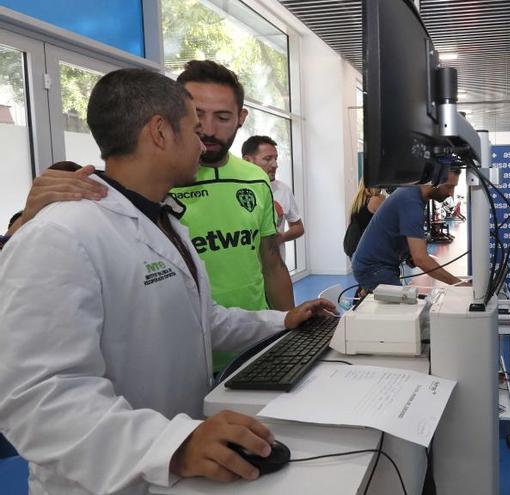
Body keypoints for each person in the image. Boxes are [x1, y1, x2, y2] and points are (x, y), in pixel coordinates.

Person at [0, 68, 334, 495]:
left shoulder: (164, 220)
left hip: (171, 468)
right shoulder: (61, 234)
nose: (203, 142)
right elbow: (38, 398)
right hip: (102, 479)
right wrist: (171, 445)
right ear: (160, 132)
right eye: (194, 129)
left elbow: (200, 321)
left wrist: (280, 321)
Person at [170, 60, 295, 372]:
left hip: (255, 344)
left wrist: (291, 333)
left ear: (241, 118)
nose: (208, 130)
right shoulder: (163, 178)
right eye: (197, 115)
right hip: (186, 353)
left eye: (223, 117)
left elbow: (271, 262)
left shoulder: (255, 179)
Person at [352, 169, 467, 292]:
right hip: (373, 268)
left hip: (377, 265)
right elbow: (421, 259)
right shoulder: (411, 201)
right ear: (435, 181)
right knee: (401, 309)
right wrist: (459, 284)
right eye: (449, 187)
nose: (451, 193)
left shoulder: (413, 195)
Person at [241, 135, 304, 263]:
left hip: (275, 269)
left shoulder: (283, 189)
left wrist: (282, 237)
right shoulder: (233, 190)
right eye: (267, 159)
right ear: (248, 160)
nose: (275, 165)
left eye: (276, 159)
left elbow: (298, 227)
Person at [343, 179, 384, 258]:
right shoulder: (375, 200)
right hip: (368, 252)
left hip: (355, 252)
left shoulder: (356, 202)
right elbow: (390, 219)